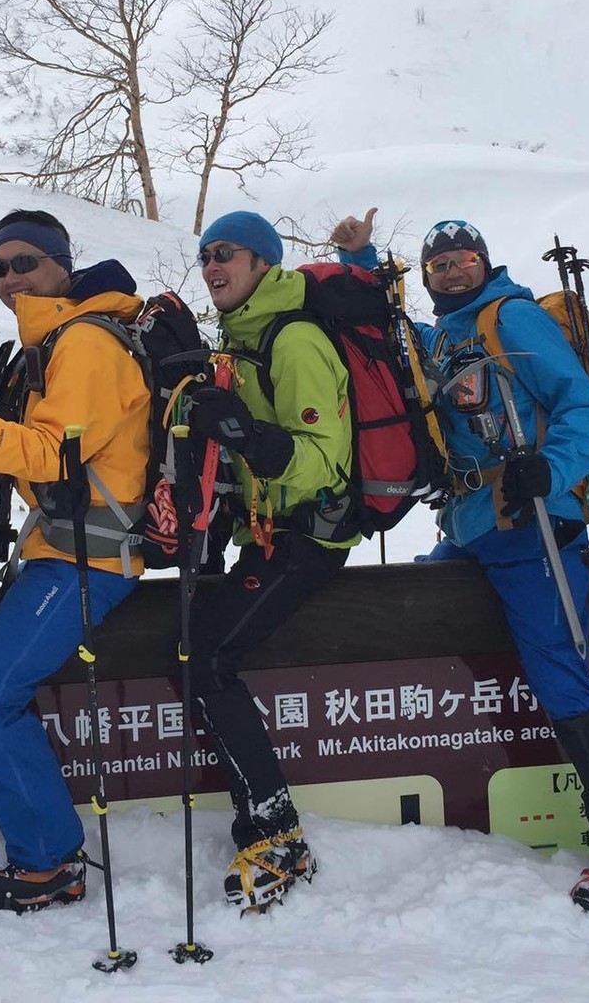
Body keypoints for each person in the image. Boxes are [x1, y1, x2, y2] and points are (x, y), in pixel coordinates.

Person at [332, 209, 589, 911]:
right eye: (438, 264)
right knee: (417, 614)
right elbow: (402, 337)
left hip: (532, 520)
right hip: (473, 524)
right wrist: (364, 264)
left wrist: (552, 467)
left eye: (461, 258)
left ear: (484, 262)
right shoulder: (447, 334)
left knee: (561, 676)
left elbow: (577, 403)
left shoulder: (508, 320)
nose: (451, 269)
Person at [0, 209, 151, 913]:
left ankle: (49, 861)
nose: (9, 277)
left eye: (25, 263)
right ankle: (48, 854)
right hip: (64, 550)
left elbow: (58, 457)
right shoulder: (52, 341)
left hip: (88, 559)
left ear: (62, 264)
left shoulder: (83, 342)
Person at [184, 210, 358, 912]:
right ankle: (265, 824)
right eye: (204, 257)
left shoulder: (295, 340)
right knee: (201, 648)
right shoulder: (240, 337)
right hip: (268, 527)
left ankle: (277, 830)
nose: (212, 266)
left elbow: (323, 461)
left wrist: (246, 434)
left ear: (262, 262)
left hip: (310, 533)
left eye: (225, 253)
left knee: (207, 655)